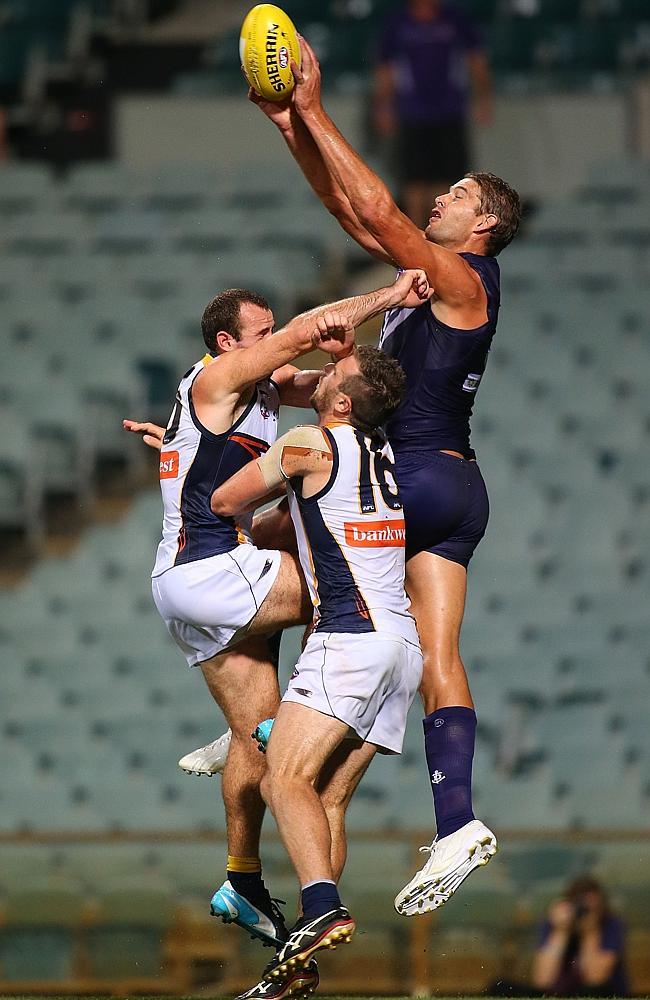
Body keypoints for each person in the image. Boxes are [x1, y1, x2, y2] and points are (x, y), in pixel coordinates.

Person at [249, 35, 522, 917]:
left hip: (413, 477)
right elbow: (352, 213)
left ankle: (257, 711)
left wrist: (319, 110)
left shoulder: (463, 277)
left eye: (457, 196)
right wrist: (290, 124)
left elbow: (378, 209)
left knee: (286, 551)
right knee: (437, 652)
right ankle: (458, 823)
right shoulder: (432, 287)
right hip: (456, 490)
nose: (440, 200)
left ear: (482, 225)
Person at [125, 271, 430, 950]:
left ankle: (244, 880)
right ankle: (286, 718)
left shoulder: (259, 390)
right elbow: (306, 349)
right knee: (342, 578)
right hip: (211, 570)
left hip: (197, 580)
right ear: (229, 342)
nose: (281, 349)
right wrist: (391, 296)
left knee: (261, 751)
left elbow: (332, 386)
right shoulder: (219, 380)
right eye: (263, 336)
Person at [210, 345, 423, 1000]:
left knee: (284, 778)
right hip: (400, 648)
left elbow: (224, 501)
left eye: (333, 373)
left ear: (338, 403)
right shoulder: (378, 454)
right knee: (324, 801)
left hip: (349, 638)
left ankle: (323, 908)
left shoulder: (308, 445)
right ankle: (297, 967)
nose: (322, 372)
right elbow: (291, 522)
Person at [373, 0, 493, 227]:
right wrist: (383, 106)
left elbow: (475, 59)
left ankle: (444, 238)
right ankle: (419, 236)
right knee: (414, 180)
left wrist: (483, 97)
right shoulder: (397, 22)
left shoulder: (455, 18)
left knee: (448, 180)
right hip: (412, 114)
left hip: (449, 113)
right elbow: (386, 68)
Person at [532, 876, 629, 997]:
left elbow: (595, 981)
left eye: (593, 908)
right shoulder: (554, 924)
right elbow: (542, 981)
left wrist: (591, 933)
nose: (586, 912)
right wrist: (561, 931)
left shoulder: (610, 924)